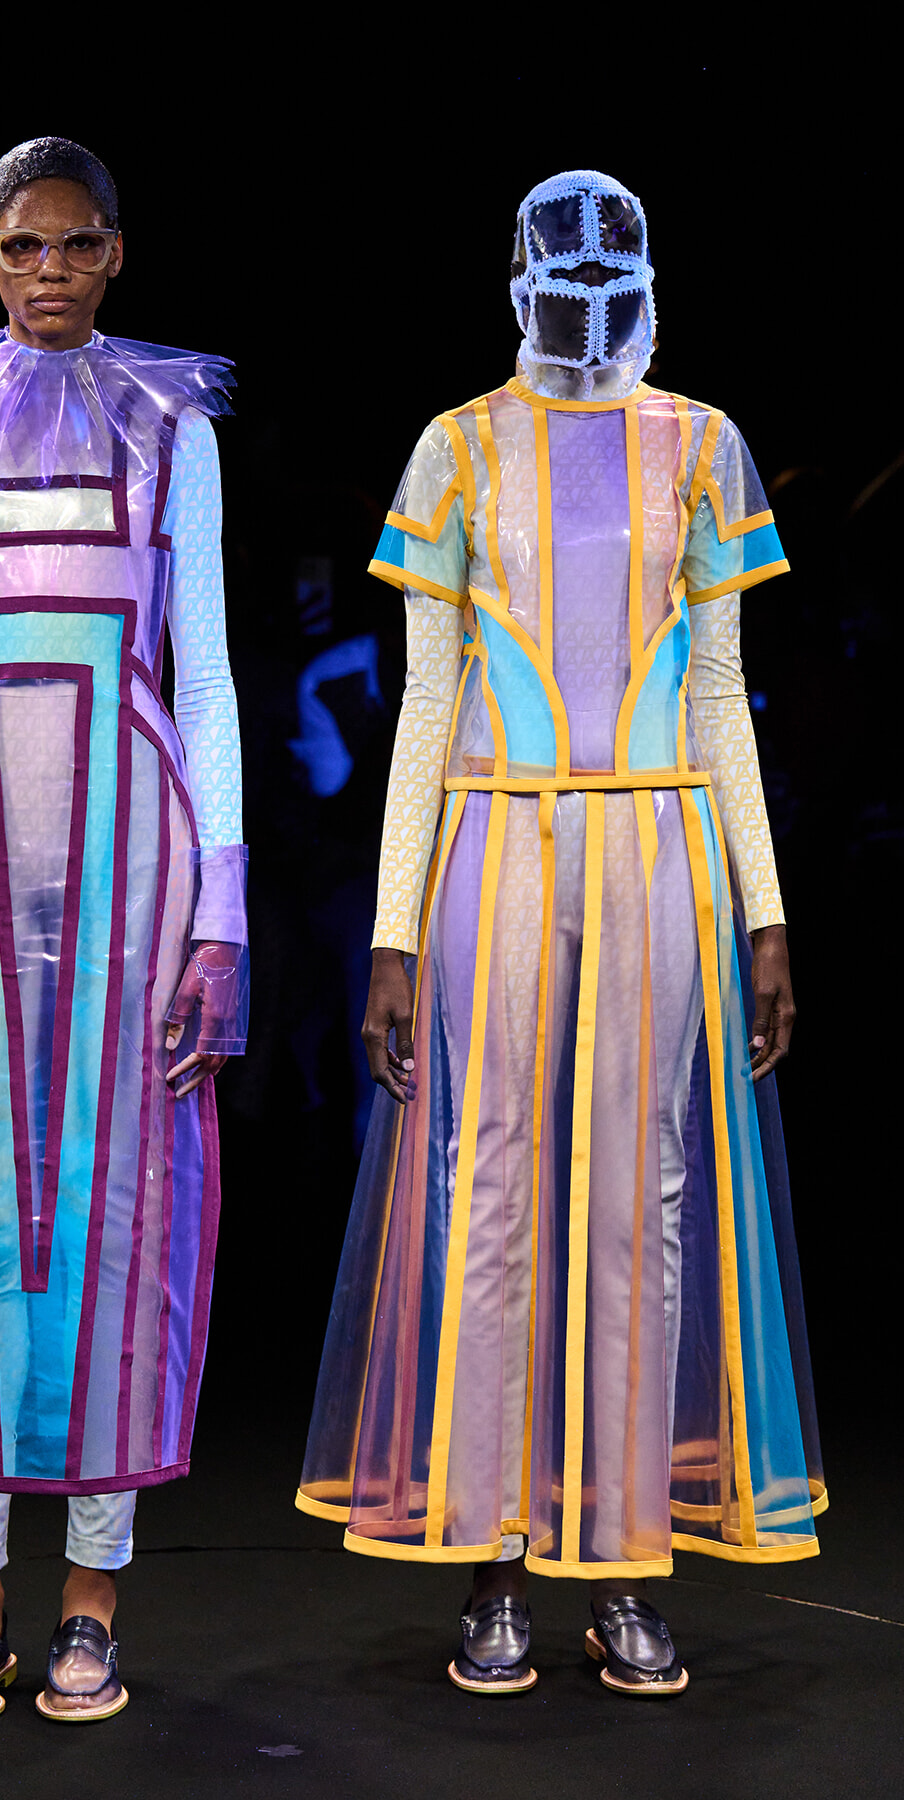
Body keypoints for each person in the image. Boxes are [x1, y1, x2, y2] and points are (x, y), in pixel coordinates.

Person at [297, 169, 823, 1698]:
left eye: (613, 277)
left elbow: (717, 690)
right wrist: (392, 932)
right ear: (521, 279)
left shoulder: (702, 444)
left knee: (647, 1198)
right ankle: (493, 1562)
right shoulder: (458, 447)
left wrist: (766, 908)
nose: (587, 304)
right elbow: (428, 701)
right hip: (498, 850)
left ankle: (626, 1561)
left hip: (660, 850)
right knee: (493, 1192)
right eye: (561, 277)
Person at [0, 137, 247, 1724]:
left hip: (134, 866)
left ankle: (90, 1597)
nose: (54, 271)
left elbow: (204, 670)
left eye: (80, 244)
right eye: (26, 245)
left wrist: (220, 913)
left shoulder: (170, 424)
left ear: (117, 254)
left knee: (116, 1220)